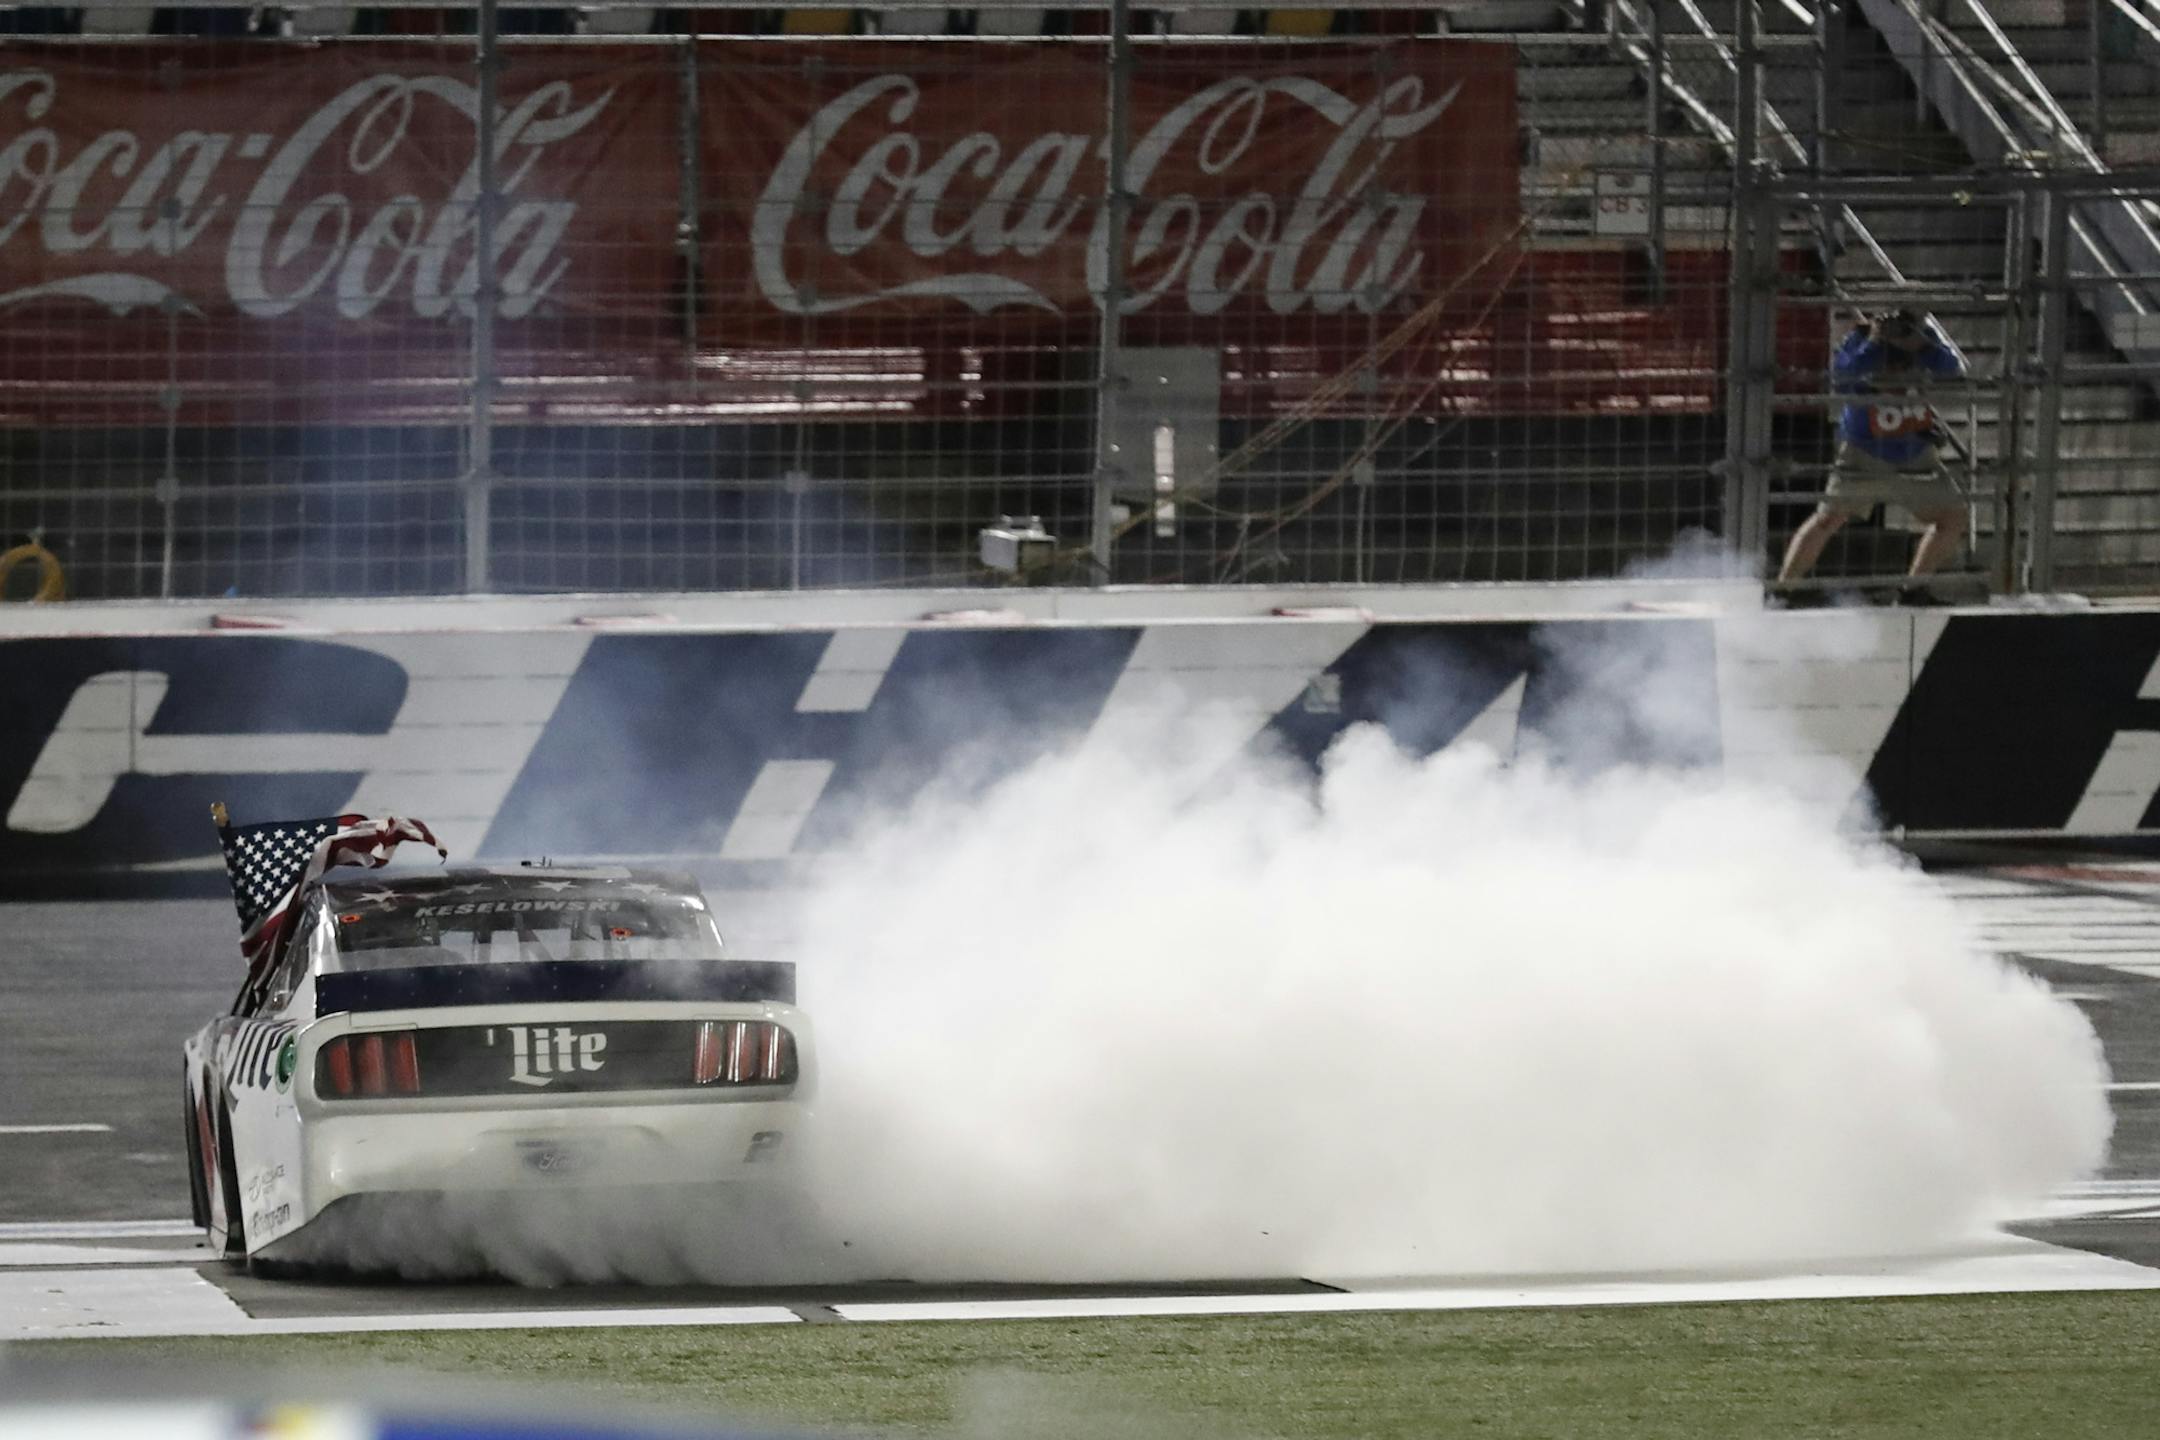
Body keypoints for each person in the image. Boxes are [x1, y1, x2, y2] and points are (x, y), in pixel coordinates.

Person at [1777, 307, 1968, 590]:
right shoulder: (1862, 339)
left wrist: (1922, 345)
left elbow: (1952, 371)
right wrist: (1875, 342)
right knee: (1827, 519)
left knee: (1953, 516)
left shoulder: (1926, 340)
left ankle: (1912, 590)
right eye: (1898, 321)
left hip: (1914, 452)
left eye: (1910, 321)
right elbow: (1842, 378)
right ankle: (1784, 590)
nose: (1902, 328)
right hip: (1864, 452)